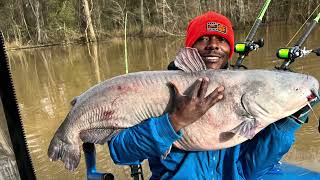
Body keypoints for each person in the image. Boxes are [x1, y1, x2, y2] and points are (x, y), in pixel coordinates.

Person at [108, 11, 318, 179]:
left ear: (230, 49)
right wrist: (173, 123)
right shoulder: (162, 89)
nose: (213, 45)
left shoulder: (244, 94)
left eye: (221, 40)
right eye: (203, 39)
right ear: (190, 47)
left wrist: (288, 123)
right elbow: (121, 152)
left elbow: (250, 170)